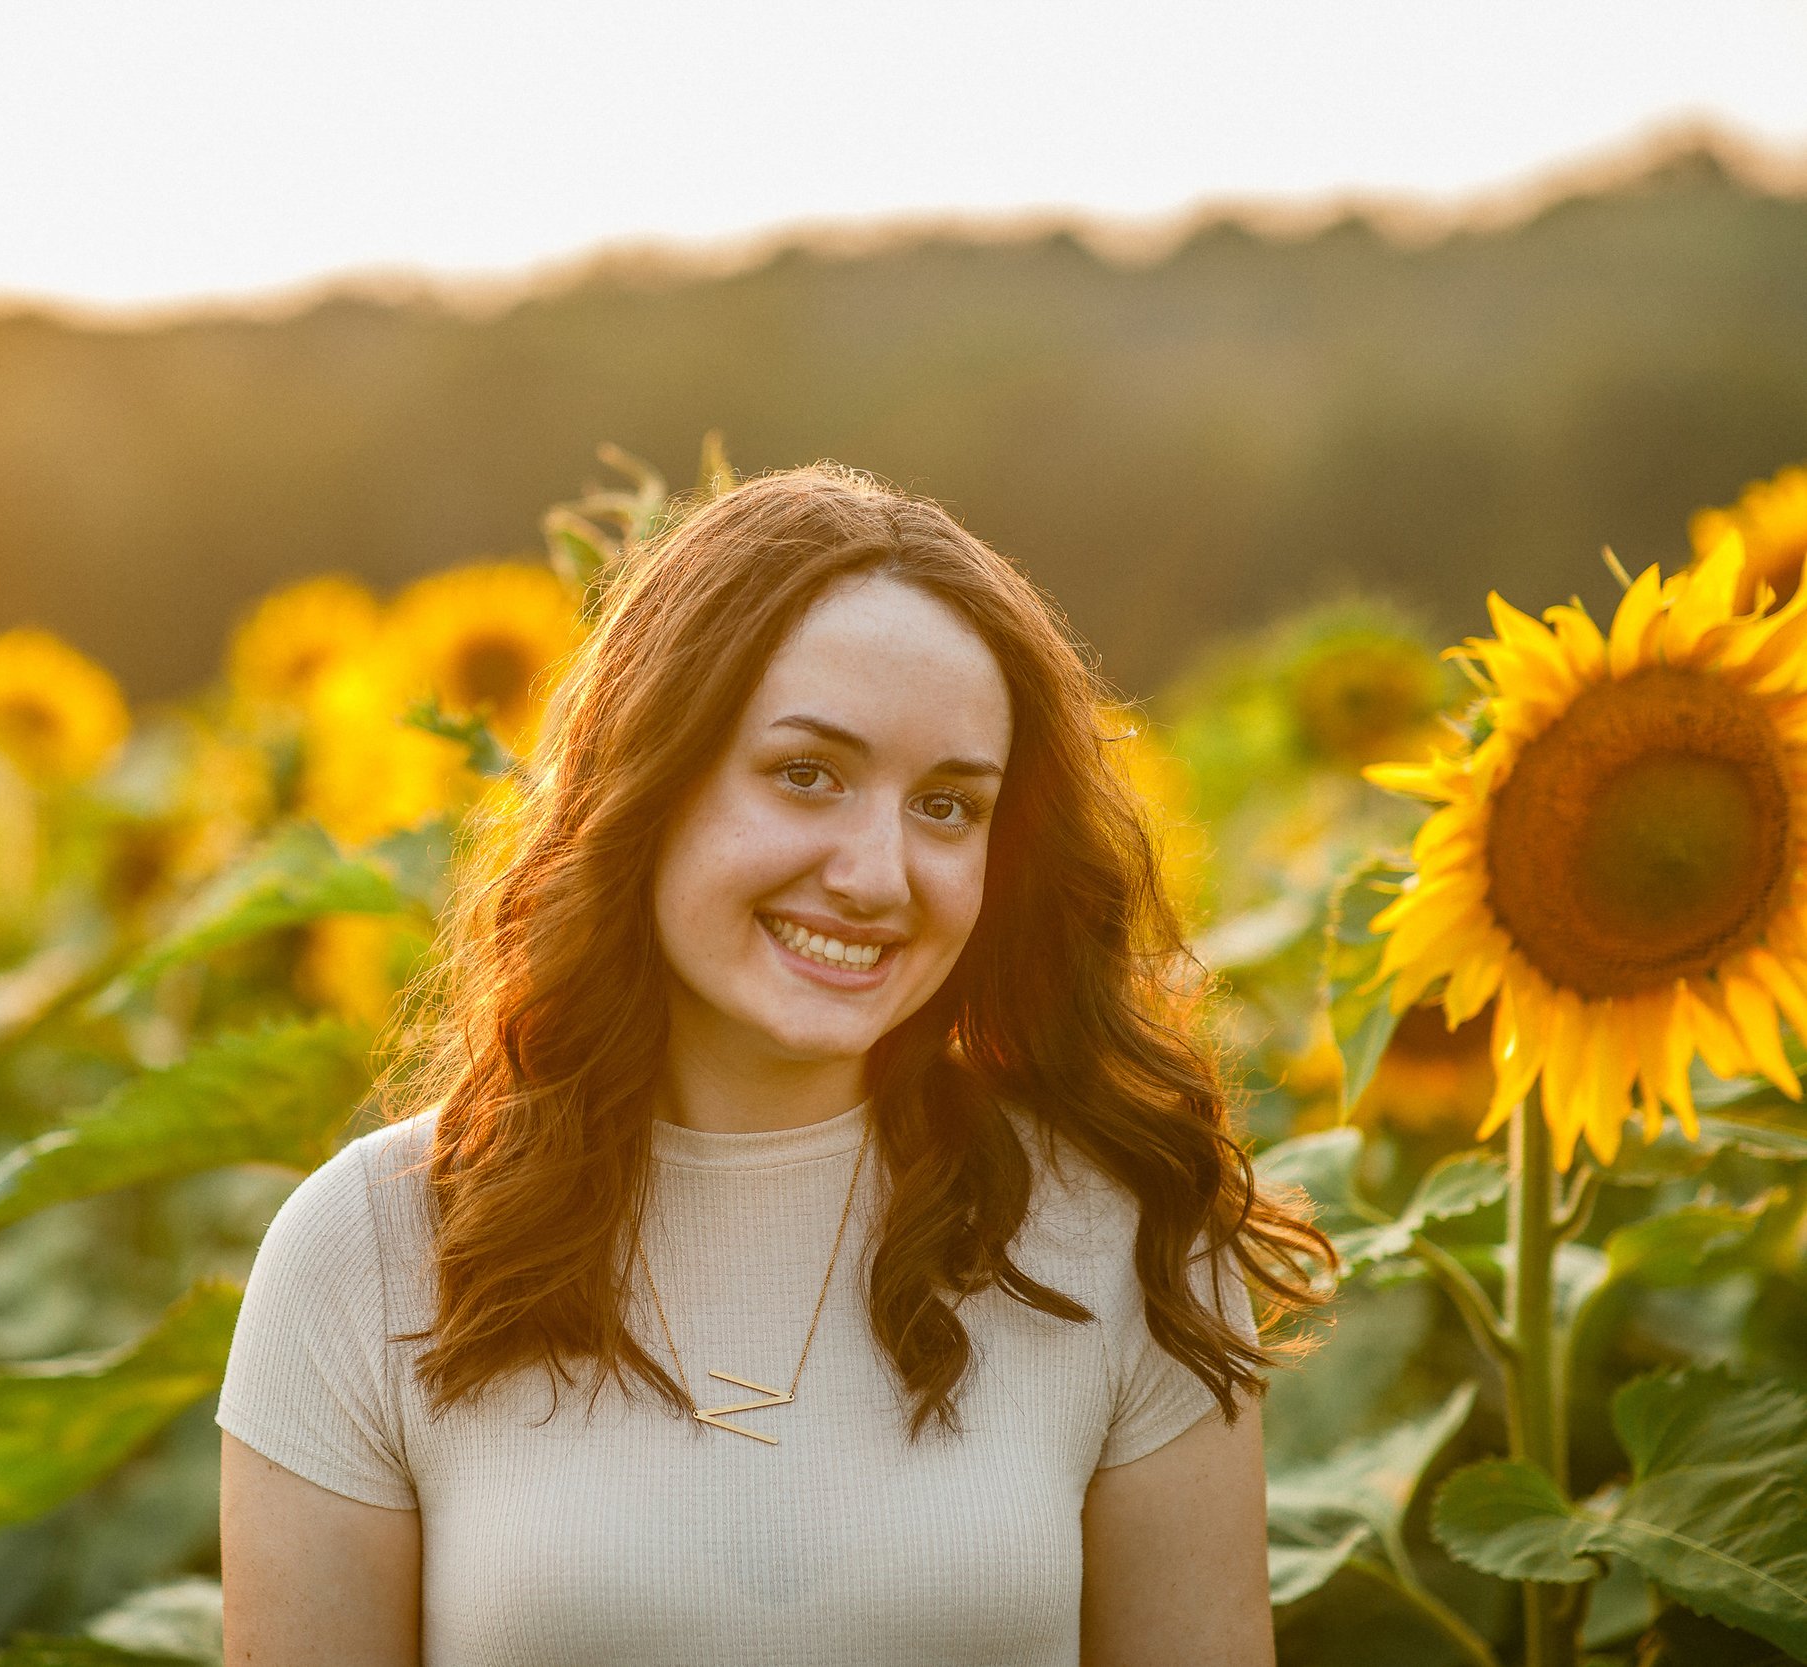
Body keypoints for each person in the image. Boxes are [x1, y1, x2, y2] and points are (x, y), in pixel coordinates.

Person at [217, 464, 1334, 1665]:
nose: (876, 872)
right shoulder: (369, 1252)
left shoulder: (1124, 1236)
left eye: (950, 805)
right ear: (649, 776)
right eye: (807, 774)